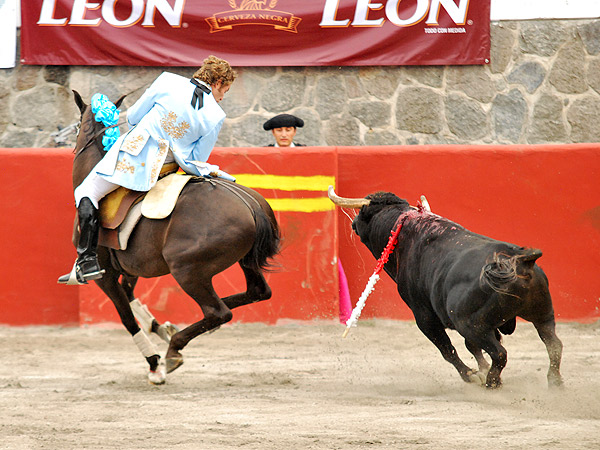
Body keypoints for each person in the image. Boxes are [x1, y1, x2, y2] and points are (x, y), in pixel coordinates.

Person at [58, 55, 236, 285]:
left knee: (86, 191)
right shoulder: (216, 115)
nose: (222, 97)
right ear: (218, 83)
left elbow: (132, 117)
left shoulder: (167, 81)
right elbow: (197, 159)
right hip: (169, 168)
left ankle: (87, 260)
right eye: (225, 91)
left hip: (132, 158)